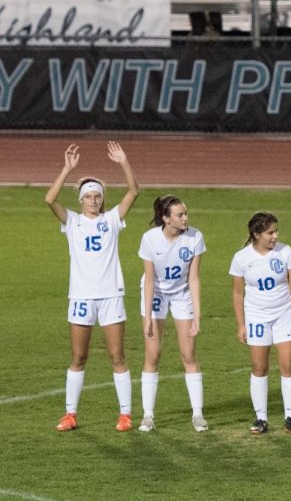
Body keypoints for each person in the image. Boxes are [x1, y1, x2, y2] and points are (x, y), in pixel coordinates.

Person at [46, 142, 140, 432]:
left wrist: (123, 162)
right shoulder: (72, 222)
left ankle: (125, 415)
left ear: (102, 199)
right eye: (88, 196)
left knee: (117, 356)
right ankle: (70, 414)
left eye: (97, 196)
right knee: (79, 357)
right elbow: (50, 199)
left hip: (111, 295)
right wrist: (67, 168)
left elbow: (134, 192)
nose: (93, 200)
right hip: (82, 297)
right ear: (81, 199)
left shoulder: (112, 220)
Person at [137, 195, 208, 433]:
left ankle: (197, 414)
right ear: (166, 219)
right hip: (156, 294)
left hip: (182, 295)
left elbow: (194, 277)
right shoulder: (150, 239)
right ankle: (148, 415)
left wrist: (197, 315)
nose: (186, 218)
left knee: (188, 354)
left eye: (186, 213)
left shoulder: (195, 237)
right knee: (153, 353)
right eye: (180, 215)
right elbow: (149, 280)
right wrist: (147, 317)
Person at [229, 212, 291, 435]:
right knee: (259, 368)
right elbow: (237, 293)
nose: (275, 236)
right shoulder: (242, 258)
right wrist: (241, 325)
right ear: (256, 234)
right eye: (270, 232)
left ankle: (290, 416)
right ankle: (261, 418)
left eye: (276, 231)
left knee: (288, 366)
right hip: (257, 318)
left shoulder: (286, 252)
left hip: (284, 316)